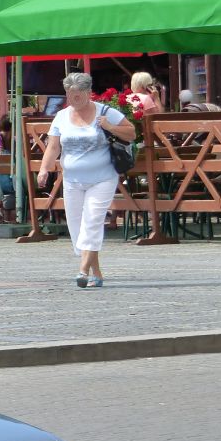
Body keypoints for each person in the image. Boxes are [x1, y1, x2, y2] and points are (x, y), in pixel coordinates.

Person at [37, 72, 136, 288]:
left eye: (77, 95)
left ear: (88, 93)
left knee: (92, 221)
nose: (73, 99)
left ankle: (82, 270)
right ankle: (96, 273)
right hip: (72, 179)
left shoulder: (105, 111)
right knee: (76, 227)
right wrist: (44, 169)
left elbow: (131, 133)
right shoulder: (61, 116)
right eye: (69, 95)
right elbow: (53, 146)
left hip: (102, 177)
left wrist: (110, 127)